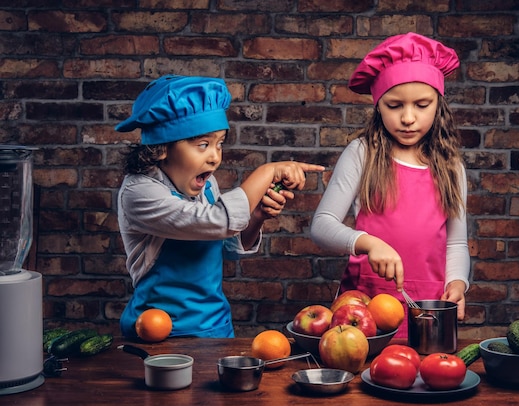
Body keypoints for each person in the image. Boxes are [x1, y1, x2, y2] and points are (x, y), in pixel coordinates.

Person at [115, 74, 324, 338]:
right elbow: (220, 221)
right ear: (162, 148)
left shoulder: (208, 185)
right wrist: (267, 171)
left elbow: (228, 244)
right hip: (156, 335)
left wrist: (257, 216)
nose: (215, 158)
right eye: (203, 145)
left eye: (219, 144)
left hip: (214, 329)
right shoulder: (139, 192)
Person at [310, 33, 470, 338]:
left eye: (422, 105)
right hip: (364, 309)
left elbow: (456, 243)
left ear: (439, 104)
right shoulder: (363, 153)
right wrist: (369, 243)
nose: (408, 118)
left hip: (427, 311)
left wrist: (458, 283)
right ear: (378, 106)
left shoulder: (451, 167)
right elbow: (321, 225)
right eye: (394, 105)